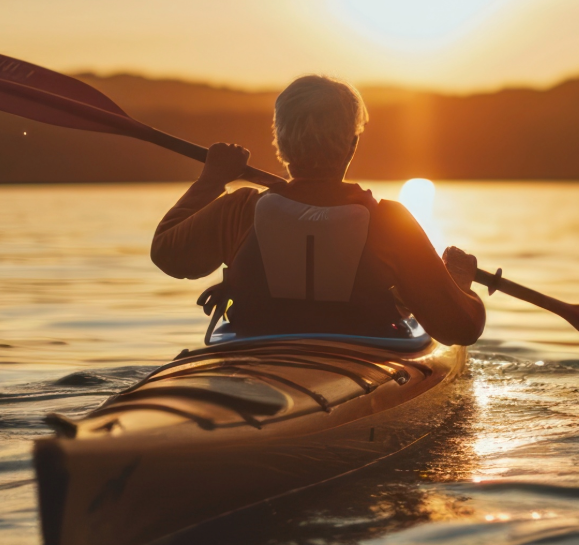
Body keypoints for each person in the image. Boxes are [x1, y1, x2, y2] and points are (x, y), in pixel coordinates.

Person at [149, 75, 485, 345]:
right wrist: (460, 286)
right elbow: (460, 330)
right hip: (365, 362)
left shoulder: (240, 211)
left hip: (253, 356)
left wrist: (211, 180)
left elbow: (168, 254)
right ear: (352, 144)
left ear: (280, 143)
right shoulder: (389, 222)